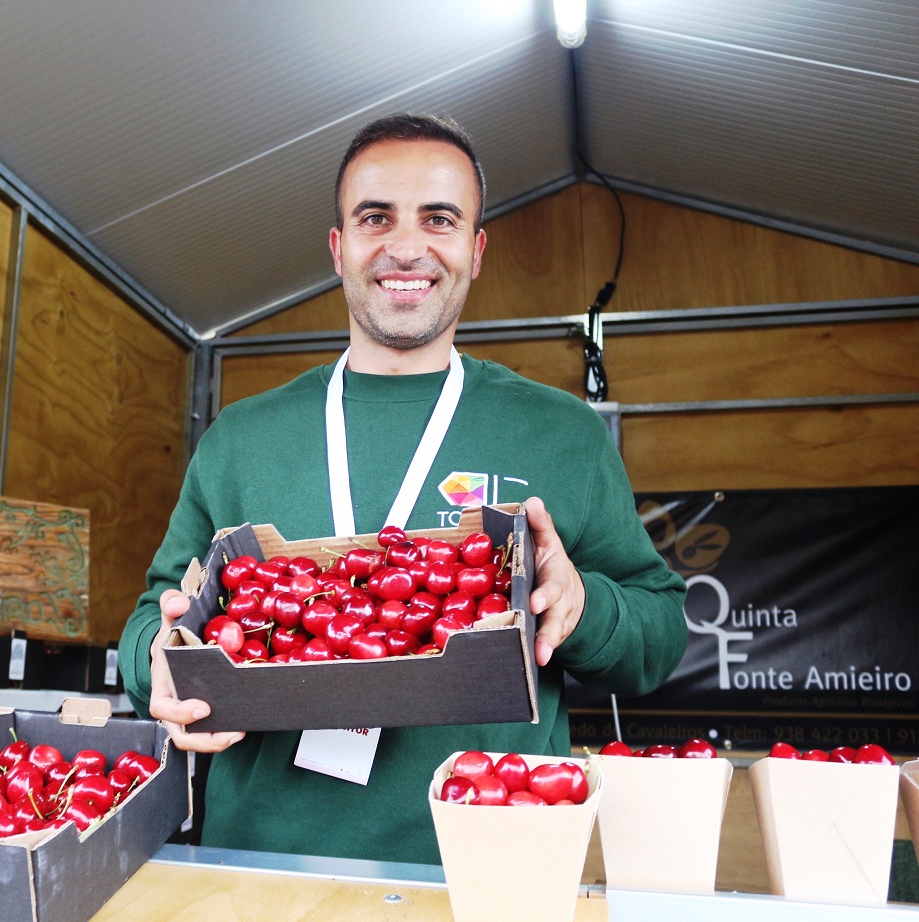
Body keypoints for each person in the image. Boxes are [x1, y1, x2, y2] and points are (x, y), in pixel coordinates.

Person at [119, 113, 688, 864]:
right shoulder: (242, 438)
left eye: (440, 219)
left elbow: (661, 631)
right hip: (261, 873)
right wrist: (159, 661)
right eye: (376, 217)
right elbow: (148, 621)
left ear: (476, 250)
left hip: (493, 871)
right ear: (339, 247)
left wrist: (578, 607)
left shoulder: (561, 434)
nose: (408, 246)